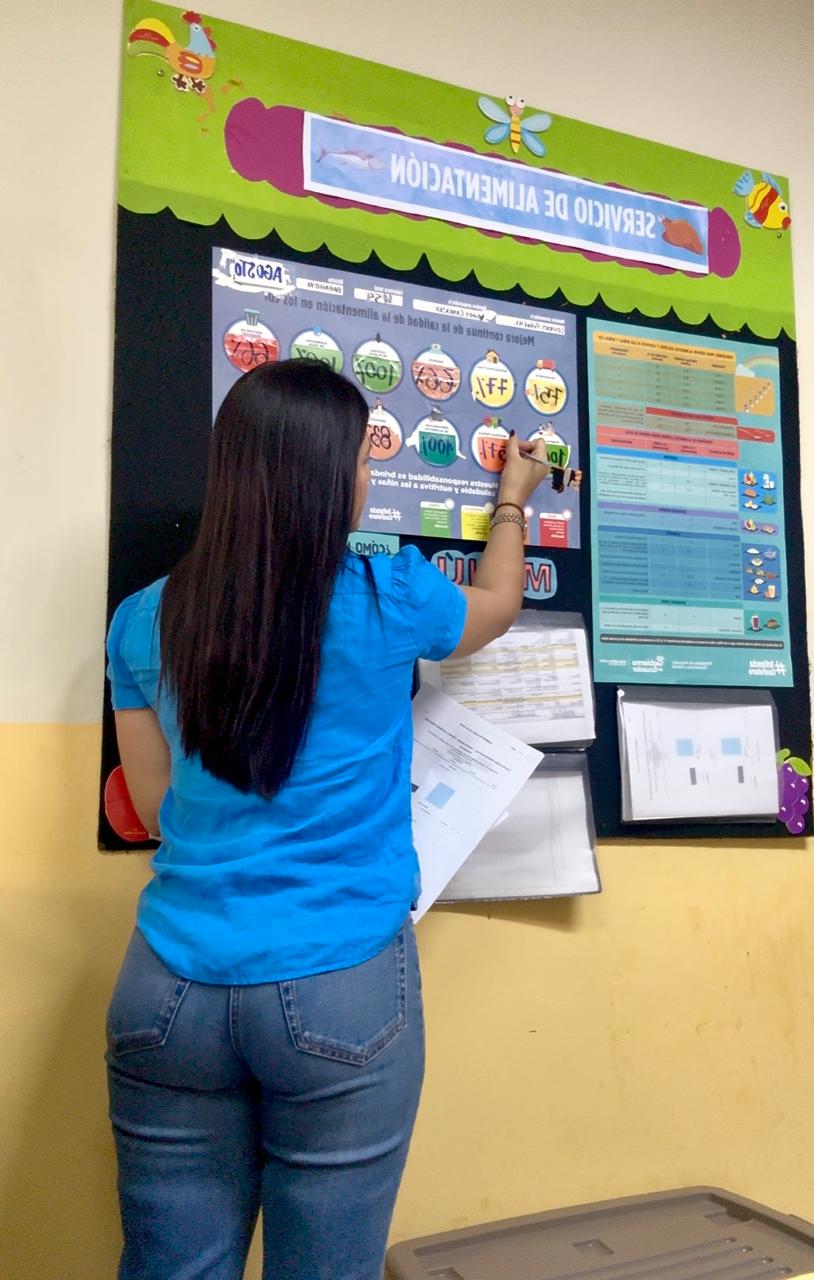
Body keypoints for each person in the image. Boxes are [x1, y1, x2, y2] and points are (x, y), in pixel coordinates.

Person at [105, 359, 550, 1280]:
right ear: (331, 476)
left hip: (167, 991)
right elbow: (499, 608)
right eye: (363, 458)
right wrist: (512, 500)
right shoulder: (390, 593)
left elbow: (152, 809)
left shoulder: (143, 620)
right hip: (340, 986)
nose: (370, 475)